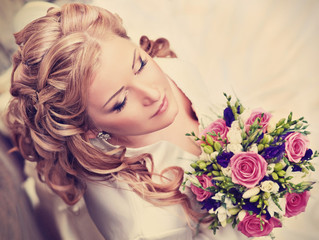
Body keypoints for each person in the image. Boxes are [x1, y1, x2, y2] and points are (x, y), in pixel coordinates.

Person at [6, 3, 248, 240]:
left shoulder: (170, 73)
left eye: (140, 64)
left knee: (33, 12)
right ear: (89, 128)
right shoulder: (148, 226)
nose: (154, 94)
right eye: (120, 102)